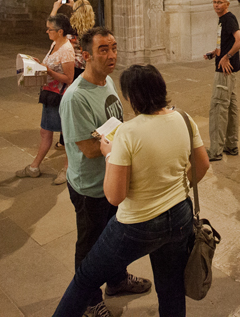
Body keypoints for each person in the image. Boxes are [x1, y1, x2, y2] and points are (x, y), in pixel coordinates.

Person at [53, 65, 210, 317]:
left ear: (132, 97)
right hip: (180, 215)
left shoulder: (128, 132)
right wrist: (174, 188)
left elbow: (114, 195)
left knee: (85, 279)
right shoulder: (183, 118)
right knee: (171, 288)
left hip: (139, 224)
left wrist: (108, 154)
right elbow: (202, 164)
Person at [59, 27, 151, 317]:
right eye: (103, 50)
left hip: (112, 180)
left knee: (115, 238)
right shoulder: (75, 98)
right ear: (86, 55)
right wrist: (122, 140)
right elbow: (88, 147)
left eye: (113, 48)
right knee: (89, 246)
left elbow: (115, 122)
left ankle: (117, 280)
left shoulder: (108, 81)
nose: (112, 55)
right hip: (90, 187)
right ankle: (88, 300)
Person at [16, 11, 77, 182]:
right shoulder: (55, 44)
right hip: (50, 95)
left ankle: (66, 170)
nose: (47, 32)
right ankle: (34, 167)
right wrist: (39, 64)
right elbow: (51, 66)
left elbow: (69, 78)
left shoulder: (66, 50)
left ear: (60, 31)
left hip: (60, 97)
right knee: (46, 132)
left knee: (66, 135)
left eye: (50, 29)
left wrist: (48, 70)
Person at [205, 0, 240, 161]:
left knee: (218, 108)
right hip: (229, 71)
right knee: (230, 108)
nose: (216, 5)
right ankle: (231, 145)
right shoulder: (223, 20)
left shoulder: (228, 19)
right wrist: (216, 53)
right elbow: (227, 41)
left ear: (227, 4)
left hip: (225, 72)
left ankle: (215, 151)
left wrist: (227, 57)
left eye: (220, 2)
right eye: (214, 2)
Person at [53, 0, 95, 150]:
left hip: (73, 69)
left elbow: (53, 32)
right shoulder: (92, 30)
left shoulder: (70, 29)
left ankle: (65, 140)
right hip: (88, 69)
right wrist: (76, 6)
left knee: (69, 105)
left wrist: (56, 8)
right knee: (85, 103)